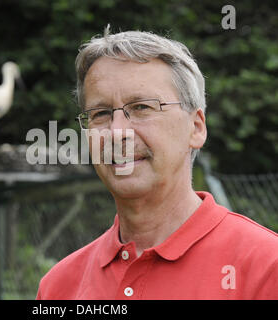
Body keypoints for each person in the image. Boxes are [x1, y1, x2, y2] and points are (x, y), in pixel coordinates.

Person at [36, 27, 278, 299]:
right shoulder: (59, 287)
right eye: (101, 114)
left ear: (196, 128)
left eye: (141, 108)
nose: (117, 132)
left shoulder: (266, 269)